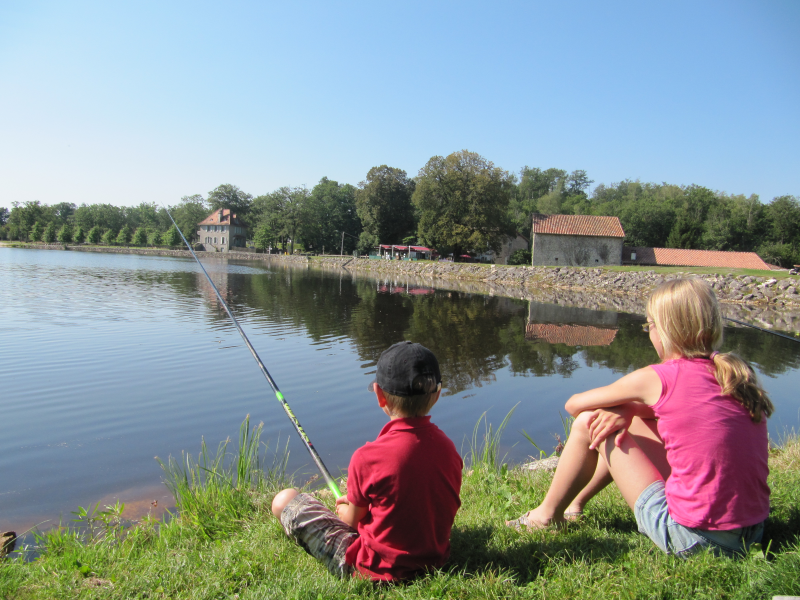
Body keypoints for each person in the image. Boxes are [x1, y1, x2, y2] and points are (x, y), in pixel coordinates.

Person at [509, 278, 773, 557]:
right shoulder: (736, 370)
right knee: (627, 420)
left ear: (663, 330)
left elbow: (574, 405)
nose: (649, 333)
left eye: (649, 325)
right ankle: (576, 504)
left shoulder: (657, 378)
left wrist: (625, 407)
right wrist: (632, 410)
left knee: (590, 421)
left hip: (692, 538)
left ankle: (545, 516)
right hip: (754, 531)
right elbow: (686, 412)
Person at [271, 341, 463, 581]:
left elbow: (350, 522)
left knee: (284, 500)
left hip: (373, 569)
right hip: (435, 559)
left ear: (380, 396)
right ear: (437, 395)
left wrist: (345, 509)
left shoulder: (367, 458)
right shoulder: (448, 449)